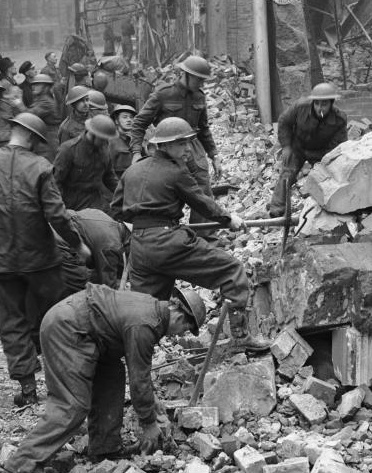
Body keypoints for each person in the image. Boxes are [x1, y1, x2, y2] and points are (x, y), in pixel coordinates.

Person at [1, 284, 206, 473]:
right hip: (68, 329)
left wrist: (152, 400)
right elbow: (138, 377)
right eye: (184, 330)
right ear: (180, 318)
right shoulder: (145, 324)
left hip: (91, 333)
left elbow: (138, 367)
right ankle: (24, 463)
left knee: (112, 373)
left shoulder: (152, 311)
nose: (178, 335)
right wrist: (149, 424)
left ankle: (105, 447)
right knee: (73, 404)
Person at [111, 117, 269, 352]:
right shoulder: (176, 171)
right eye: (181, 143)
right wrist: (229, 219)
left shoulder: (132, 171)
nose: (187, 149)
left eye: (188, 143)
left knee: (143, 311)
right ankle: (240, 336)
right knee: (231, 271)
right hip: (169, 243)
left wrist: (142, 227)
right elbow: (202, 202)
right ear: (164, 146)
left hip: (140, 249)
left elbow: (115, 208)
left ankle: (132, 353)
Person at [0, 112, 90, 407]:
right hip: (40, 261)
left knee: (10, 322)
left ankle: (28, 389)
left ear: (14, 132)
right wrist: (78, 245)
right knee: (56, 316)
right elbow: (57, 215)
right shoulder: (40, 166)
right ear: (33, 138)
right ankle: (68, 381)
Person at [130, 55, 221, 222]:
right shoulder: (163, 95)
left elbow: (204, 128)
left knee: (203, 191)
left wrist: (214, 155)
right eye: (199, 79)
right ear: (185, 74)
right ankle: (170, 233)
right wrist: (136, 152)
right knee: (165, 191)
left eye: (203, 80)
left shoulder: (199, 96)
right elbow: (138, 124)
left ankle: (204, 238)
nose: (202, 84)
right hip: (168, 150)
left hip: (193, 149)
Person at [269, 82, 348, 217]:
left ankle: (328, 209)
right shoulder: (300, 107)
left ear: (331, 103)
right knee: (287, 174)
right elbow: (284, 122)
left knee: (326, 179)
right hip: (297, 147)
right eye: (317, 104)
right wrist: (286, 146)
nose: (319, 108)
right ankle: (276, 210)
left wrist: (324, 163)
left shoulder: (339, 119)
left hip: (321, 152)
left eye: (324, 104)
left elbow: (338, 146)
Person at [53, 114, 119, 212]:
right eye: (103, 138)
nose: (105, 142)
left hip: (96, 202)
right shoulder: (68, 150)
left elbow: (110, 178)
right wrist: (60, 209)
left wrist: (124, 194)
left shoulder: (104, 150)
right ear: (93, 134)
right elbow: (55, 182)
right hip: (73, 205)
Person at [55, 208, 130, 291]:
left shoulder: (104, 217)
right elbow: (108, 288)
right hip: (62, 242)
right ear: (130, 239)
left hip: (51, 229)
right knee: (84, 290)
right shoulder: (112, 245)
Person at [27, 74, 61, 161]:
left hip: (49, 139)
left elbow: (29, 116)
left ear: (46, 87)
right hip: (44, 136)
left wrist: (17, 103)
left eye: (37, 85)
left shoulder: (46, 102)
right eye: (33, 84)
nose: (33, 87)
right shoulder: (40, 99)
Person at [109, 104, 136, 179]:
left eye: (131, 117)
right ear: (116, 121)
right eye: (125, 117)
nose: (129, 120)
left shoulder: (137, 140)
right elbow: (108, 172)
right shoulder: (111, 142)